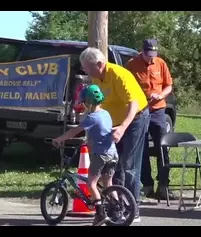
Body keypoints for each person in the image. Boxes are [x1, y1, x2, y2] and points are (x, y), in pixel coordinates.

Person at [79, 47, 150, 223]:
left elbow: (133, 103)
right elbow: (100, 104)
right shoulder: (96, 77)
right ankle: (116, 208)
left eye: (87, 68)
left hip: (135, 119)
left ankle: (134, 209)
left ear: (99, 64)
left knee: (129, 164)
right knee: (113, 163)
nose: (85, 72)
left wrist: (123, 127)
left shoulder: (119, 74)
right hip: (114, 121)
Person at [52, 84, 119, 226]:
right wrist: (88, 140)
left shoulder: (92, 117)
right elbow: (101, 131)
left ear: (88, 102)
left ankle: (100, 214)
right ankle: (117, 209)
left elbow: (74, 131)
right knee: (108, 183)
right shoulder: (106, 113)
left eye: (84, 103)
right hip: (112, 153)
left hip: (100, 155)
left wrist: (59, 139)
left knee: (91, 183)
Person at [124, 39, 178, 200]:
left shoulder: (160, 63)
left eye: (153, 54)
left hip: (158, 111)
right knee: (142, 149)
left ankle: (163, 186)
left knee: (163, 148)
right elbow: (126, 86)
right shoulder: (132, 64)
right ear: (142, 51)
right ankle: (146, 186)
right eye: (148, 55)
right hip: (140, 110)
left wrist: (160, 95)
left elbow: (169, 85)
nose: (151, 58)